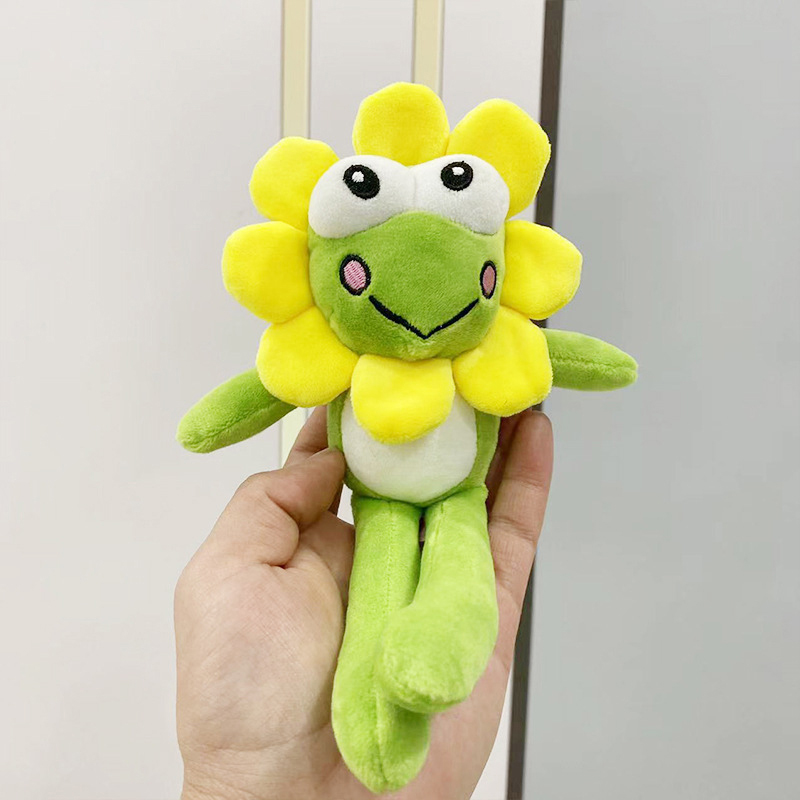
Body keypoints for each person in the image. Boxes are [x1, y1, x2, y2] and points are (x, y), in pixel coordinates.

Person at [175, 407, 553, 800]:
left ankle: (439, 656)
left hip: (457, 497)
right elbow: (270, 388)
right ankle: (379, 729)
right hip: (381, 502)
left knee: (460, 575)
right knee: (386, 596)